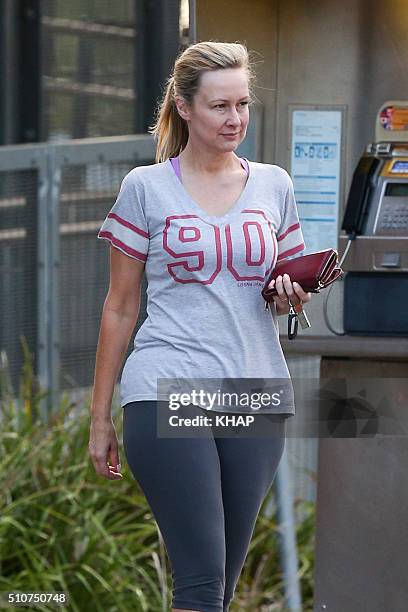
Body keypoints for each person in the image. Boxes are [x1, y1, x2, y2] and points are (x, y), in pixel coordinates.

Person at [89, 41, 311, 612]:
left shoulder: (274, 185)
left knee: (220, 582)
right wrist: (99, 418)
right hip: (169, 387)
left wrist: (291, 293)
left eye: (242, 104)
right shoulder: (146, 187)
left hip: (256, 391)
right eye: (219, 106)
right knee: (200, 578)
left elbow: (288, 286)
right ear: (185, 107)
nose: (234, 118)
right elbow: (119, 305)